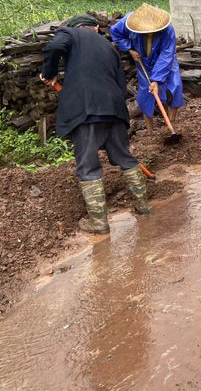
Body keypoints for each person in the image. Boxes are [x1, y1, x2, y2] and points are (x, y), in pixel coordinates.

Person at [40, 14, 148, 235]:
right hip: (114, 110)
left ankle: (99, 223)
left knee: (88, 166)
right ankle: (143, 207)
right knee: (125, 158)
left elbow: (54, 47)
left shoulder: (69, 34)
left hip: (87, 111)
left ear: (76, 27)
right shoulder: (109, 47)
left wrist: (49, 73)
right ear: (96, 28)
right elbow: (120, 83)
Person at [110, 4, 184, 134]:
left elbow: (167, 54)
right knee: (145, 95)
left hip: (165, 62)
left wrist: (156, 79)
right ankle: (150, 132)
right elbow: (116, 32)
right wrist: (130, 49)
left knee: (175, 87)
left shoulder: (167, 29)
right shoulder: (129, 22)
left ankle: (171, 124)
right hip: (144, 62)